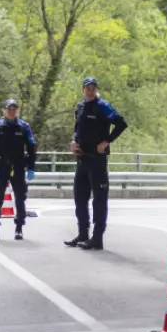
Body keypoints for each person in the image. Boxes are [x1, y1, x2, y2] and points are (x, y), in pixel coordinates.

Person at [65, 77, 127, 251]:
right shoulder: (81, 107)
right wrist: (74, 141)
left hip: (97, 160)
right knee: (80, 197)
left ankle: (97, 238)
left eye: (93, 88)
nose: (90, 90)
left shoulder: (103, 106)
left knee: (99, 200)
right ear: (83, 90)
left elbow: (121, 124)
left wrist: (107, 141)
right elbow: (77, 129)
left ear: (96, 89)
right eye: (87, 88)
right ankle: (82, 233)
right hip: (82, 158)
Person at [0, 98, 36, 241]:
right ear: (4, 110)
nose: (12, 112)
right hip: (2, 166)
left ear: (18, 111)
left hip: (18, 166)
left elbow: (31, 147)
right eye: (9, 109)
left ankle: (19, 227)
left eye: (14, 109)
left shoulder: (23, 127)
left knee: (20, 198)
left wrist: (31, 167)